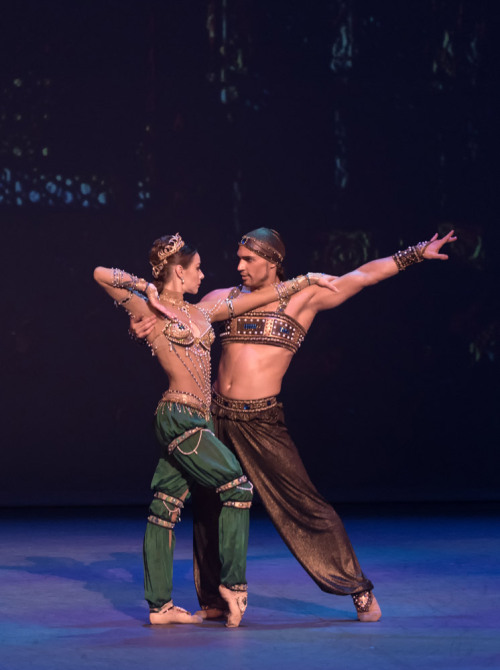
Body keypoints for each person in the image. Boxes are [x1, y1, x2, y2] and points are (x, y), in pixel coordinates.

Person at [131, 227, 457, 624]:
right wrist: (144, 322)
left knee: (304, 505)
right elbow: (173, 312)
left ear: (272, 261)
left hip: (261, 420)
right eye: (239, 258)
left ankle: (357, 588)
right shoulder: (223, 298)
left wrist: (417, 253)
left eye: (248, 259)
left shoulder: (304, 297)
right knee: (208, 506)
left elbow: (364, 275)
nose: (239, 266)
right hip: (214, 415)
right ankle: (216, 598)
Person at [94, 232, 337, 627]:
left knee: (165, 506)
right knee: (238, 486)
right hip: (178, 416)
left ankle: (159, 607)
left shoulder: (202, 313)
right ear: (178, 271)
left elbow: (256, 299)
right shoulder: (149, 311)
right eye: (197, 268)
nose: (204, 275)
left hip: (200, 419)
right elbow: (101, 274)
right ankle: (233, 586)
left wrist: (304, 280)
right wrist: (147, 291)